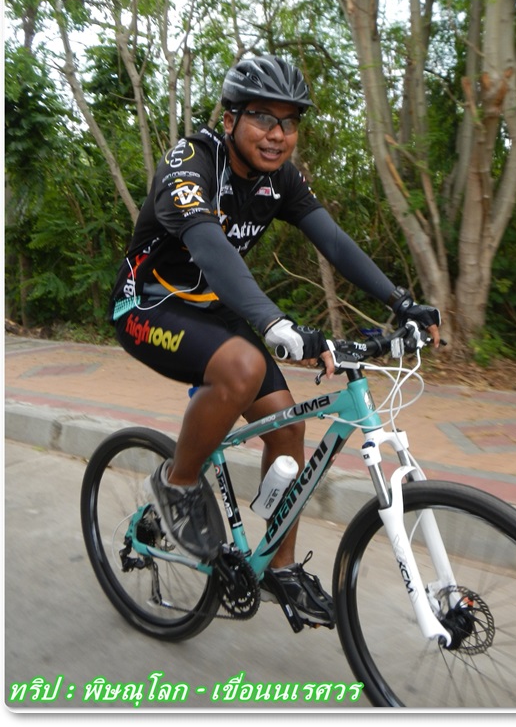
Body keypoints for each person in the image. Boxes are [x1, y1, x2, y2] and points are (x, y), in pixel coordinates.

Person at [109, 54, 440, 629]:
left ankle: (280, 568)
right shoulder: (190, 163)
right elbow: (209, 246)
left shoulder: (280, 179)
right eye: (263, 117)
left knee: (288, 428)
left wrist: (401, 301)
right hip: (149, 305)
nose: (278, 134)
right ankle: (176, 483)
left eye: (289, 122)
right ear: (230, 119)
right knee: (241, 367)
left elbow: (333, 242)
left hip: (216, 310)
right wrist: (273, 323)